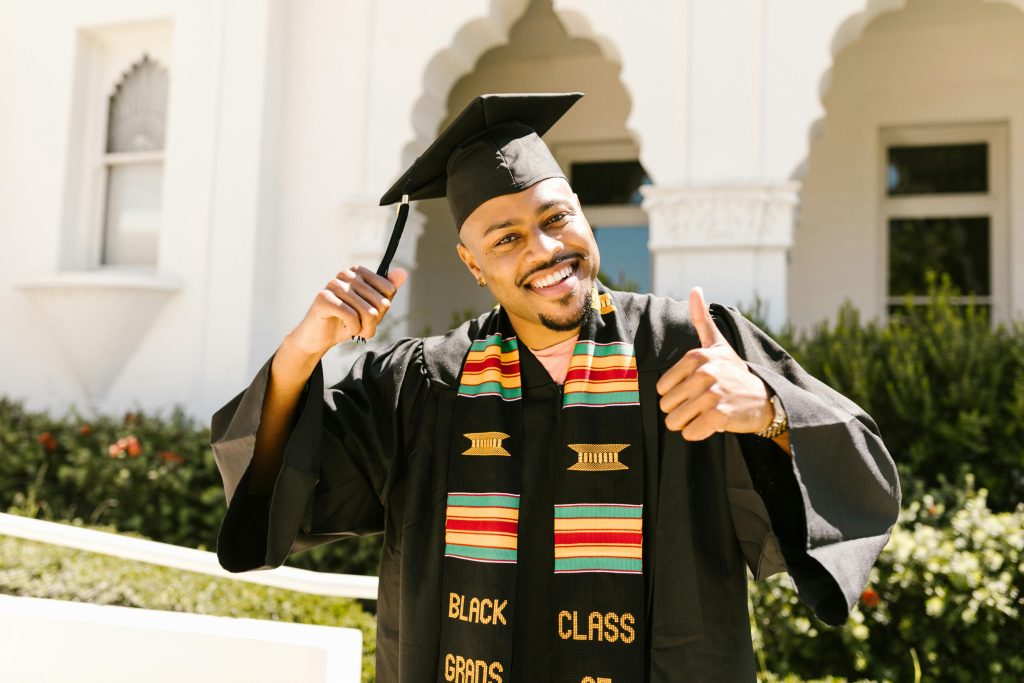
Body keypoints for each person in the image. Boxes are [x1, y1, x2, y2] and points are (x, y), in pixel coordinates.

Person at [212, 93, 900, 682]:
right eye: (505, 238)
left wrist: (767, 412)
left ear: (581, 210)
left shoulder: (687, 349)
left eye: (555, 217)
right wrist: (304, 350)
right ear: (471, 264)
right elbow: (284, 499)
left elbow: (860, 475)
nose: (543, 249)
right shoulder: (422, 386)